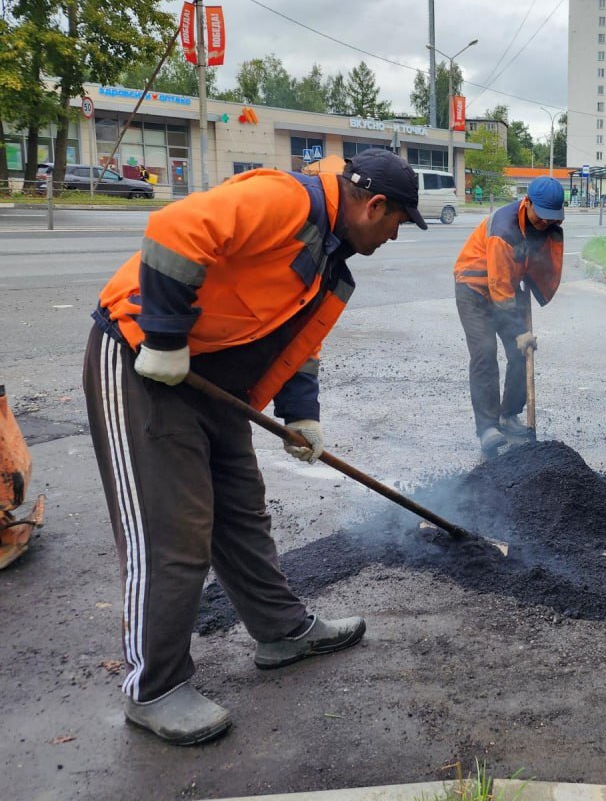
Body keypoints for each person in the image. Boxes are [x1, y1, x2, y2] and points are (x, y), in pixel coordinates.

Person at [82, 148, 426, 746]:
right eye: (398, 223)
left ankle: (281, 631)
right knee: (173, 532)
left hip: (215, 384)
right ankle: (155, 688)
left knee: (241, 512)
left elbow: (289, 337)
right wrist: (163, 338)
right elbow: (175, 228)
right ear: (375, 206)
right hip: (147, 364)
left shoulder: (329, 262)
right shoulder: (285, 199)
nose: (395, 236)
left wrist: (303, 416)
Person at [453, 175, 564, 457]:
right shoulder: (503, 229)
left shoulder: (544, 225)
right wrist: (520, 330)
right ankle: (488, 428)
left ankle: (508, 414)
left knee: (521, 353)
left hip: (506, 288)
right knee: (485, 353)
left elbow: (523, 268)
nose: (546, 223)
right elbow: (498, 289)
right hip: (474, 288)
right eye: (542, 217)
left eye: (552, 219)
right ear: (527, 203)